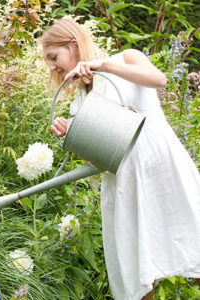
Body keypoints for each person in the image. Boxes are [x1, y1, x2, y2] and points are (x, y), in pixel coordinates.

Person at [38, 18, 200, 300]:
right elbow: (97, 161)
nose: (52, 66)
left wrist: (103, 65)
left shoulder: (125, 58)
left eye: (54, 57)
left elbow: (159, 80)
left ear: (73, 45)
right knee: (137, 268)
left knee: (190, 243)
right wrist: (70, 136)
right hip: (123, 183)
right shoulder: (79, 101)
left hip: (159, 168)